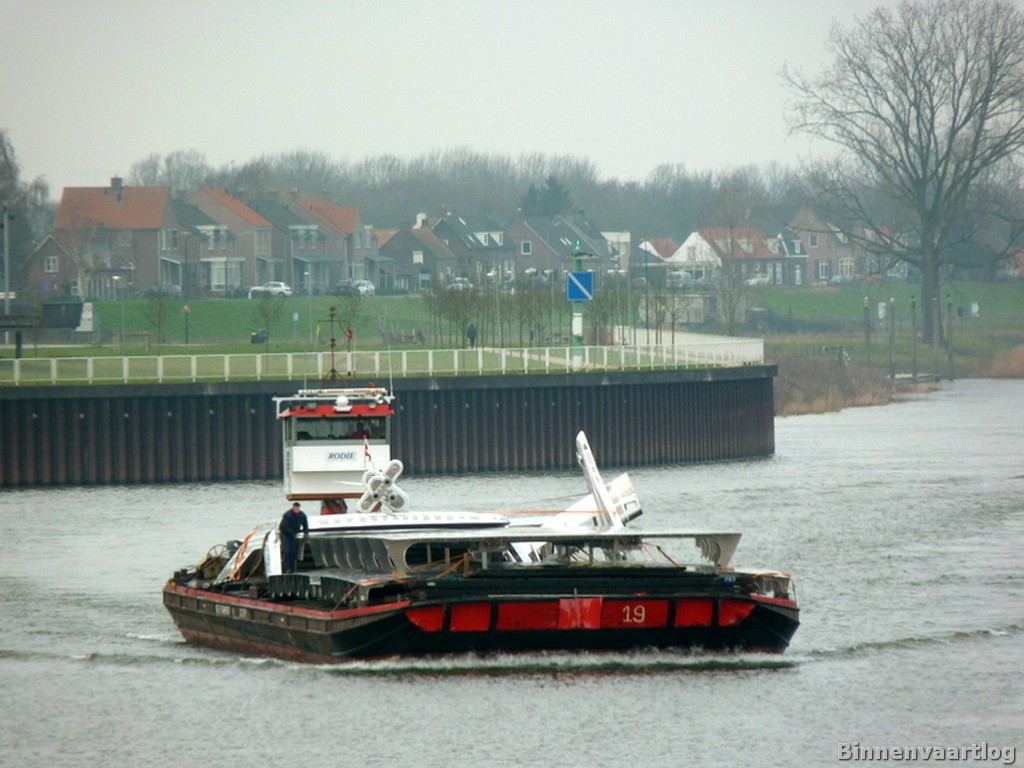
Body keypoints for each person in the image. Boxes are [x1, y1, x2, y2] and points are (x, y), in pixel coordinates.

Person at [279, 502, 309, 573]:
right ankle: (287, 568)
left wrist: (306, 533)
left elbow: (305, 525)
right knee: (287, 551)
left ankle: (293, 568)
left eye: (297, 508)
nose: (296, 510)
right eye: (295, 508)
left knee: (294, 551)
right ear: (293, 508)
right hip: (285, 534)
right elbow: (284, 526)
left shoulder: (302, 515)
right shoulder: (287, 515)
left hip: (294, 534)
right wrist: (292, 532)